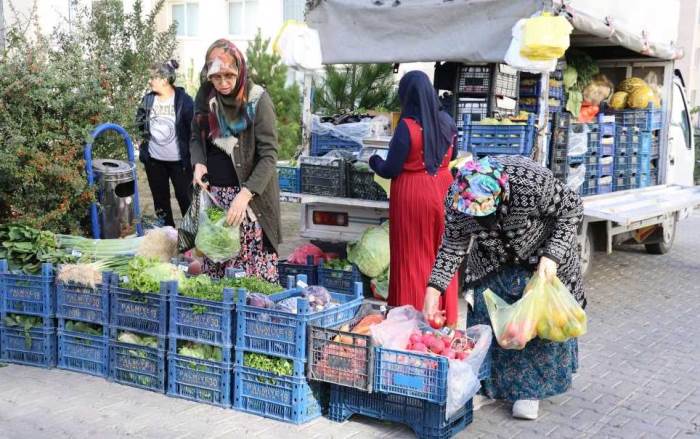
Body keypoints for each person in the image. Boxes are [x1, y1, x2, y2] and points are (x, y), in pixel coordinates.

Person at [425, 155, 585, 420]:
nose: (483, 222)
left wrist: (552, 256)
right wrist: (434, 288)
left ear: (502, 196)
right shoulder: (457, 199)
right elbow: (453, 245)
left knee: (535, 323)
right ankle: (487, 385)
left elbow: (572, 209)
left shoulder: (529, 181)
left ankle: (529, 390)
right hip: (491, 259)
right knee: (488, 321)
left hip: (541, 253)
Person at [369, 70, 460, 327]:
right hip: (444, 189)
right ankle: (445, 317)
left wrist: (373, 160)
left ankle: (411, 321)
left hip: (412, 195)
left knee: (413, 255)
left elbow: (390, 169)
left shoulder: (407, 128)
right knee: (442, 254)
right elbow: (454, 154)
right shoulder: (447, 121)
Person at [190, 39, 281, 282]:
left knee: (250, 279)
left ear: (240, 70)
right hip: (216, 198)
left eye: (229, 76)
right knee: (215, 272)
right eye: (216, 78)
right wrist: (199, 162)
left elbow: (269, 155)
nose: (223, 83)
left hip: (249, 202)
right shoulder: (205, 96)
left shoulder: (257, 100)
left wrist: (245, 195)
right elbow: (196, 136)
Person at [136, 59, 194, 227]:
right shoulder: (147, 100)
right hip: (154, 161)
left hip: (180, 163)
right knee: (160, 202)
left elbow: (194, 130)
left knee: (186, 199)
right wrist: (142, 142)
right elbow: (139, 123)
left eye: (153, 77)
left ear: (164, 80)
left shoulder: (184, 100)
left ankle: (191, 237)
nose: (149, 81)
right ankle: (168, 234)